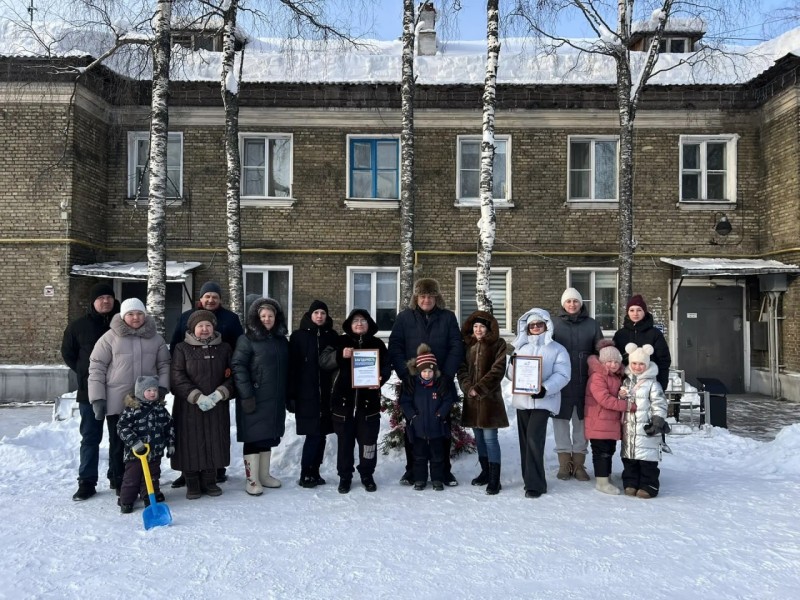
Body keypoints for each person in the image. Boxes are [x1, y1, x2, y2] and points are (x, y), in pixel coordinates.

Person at [88, 298, 170, 498]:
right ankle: (121, 484)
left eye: (139, 313)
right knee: (120, 445)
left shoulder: (156, 339)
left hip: (147, 403)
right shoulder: (109, 338)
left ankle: (146, 486)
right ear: (123, 316)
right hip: (118, 401)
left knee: (148, 446)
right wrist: (97, 398)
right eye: (131, 314)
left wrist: (162, 388)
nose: (136, 318)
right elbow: (97, 367)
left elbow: (165, 365)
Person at [389, 278, 464, 486]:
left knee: (443, 427)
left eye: (430, 296)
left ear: (436, 297)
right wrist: (405, 374)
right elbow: (395, 347)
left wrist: (447, 376)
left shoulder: (448, 318)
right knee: (413, 427)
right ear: (416, 298)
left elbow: (456, 346)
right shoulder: (404, 318)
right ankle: (412, 470)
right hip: (413, 384)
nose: (426, 300)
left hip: (440, 382)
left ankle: (444, 471)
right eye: (422, 296)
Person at [170, 281, 243, 487]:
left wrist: (227, 383)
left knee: (215, 431)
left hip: (218, 382)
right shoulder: (186, 317)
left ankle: (216, 470)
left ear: (220, 299)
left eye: (215, 297)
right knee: (188, 432)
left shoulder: (231, 319)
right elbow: (176, 344)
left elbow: (238, 347)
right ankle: (188, 472)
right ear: (200, 299)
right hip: (190, 384)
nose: (210, 300)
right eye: (207, 296)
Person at [61, 282, 120, 501]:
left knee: (119, 437)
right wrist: (85, 373)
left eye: (109, 297)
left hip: (118, 391)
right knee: (90, 437)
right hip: (89, 393)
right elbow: (68, 353)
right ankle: (87, 481)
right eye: (100, 298)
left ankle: (117, 476)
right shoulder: (78, 326)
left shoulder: (122, 324)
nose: (105, 301)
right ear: (92, 302)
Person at [323, 309, 391, 494]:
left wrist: (381, 378)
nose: (359, 323)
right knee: (345, 444)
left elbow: (386, 366)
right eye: (355, 320)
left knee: (368, 444)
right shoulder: (340, 341)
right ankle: (345, 477)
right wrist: (339, 355)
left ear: (369, 323)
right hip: (343, 405)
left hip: (368, 406)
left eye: (363, 320)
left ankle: (367, 475)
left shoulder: (377, 344)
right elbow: (323, 361)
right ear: (349, 324)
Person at [506, 308, 570, 498]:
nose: (535, 328)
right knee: (525, 442)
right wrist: (512, 364)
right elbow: (511, 376)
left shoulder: (557, 349)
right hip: (523, 401)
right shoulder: (521, 348)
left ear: (546, 325)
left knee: (534, 440)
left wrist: (545, 388)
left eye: (539, 324)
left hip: (544, 402)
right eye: (532, 325)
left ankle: (535, 485)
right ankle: (530, 479)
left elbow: (563, 375)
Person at [232, 297, 289, 496]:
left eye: (270, 316)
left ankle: (264, 475)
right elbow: (238, 366)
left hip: (274, 398)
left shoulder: (281, 340)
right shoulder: (247, 339)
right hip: (254, 396)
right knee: (253, 437)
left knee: (267, 437)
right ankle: (252, 478)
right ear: (256, 317)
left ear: (276, 318)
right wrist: (246, 394)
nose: (267, 319)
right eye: (263, 316)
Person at [551, 287, 603, 482]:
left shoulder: (592, 325)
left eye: (575, 301)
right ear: (563, 304)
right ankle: (565, 463)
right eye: (568, 301)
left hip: (584, 383)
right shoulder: (554, 324)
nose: (572, 304)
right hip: (561, 384)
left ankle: (579, 463)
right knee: (561, 423)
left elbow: (600, 352)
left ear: (581, 303)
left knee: (582, 423)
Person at [457, 310, 509, 495]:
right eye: (475, 326)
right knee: (479, 438)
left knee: (490, 439)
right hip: (471, 400)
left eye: (482, 327)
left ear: (489, 329)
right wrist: (467, 386)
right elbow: (461, 368)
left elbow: (498, 370)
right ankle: (485, 472)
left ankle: (495, 479)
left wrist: (479, 388)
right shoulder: (467, 345)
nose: (478, 330)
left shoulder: (498, 345)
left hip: (490, 401)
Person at [288, 300, 338, 488]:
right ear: (310, 315)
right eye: (316, 313)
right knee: (313, 434)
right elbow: (292, 368)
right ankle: (305, 472)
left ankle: (315, 471)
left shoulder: (332, 336)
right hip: (306, 394)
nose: (319, 316)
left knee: (322, 434)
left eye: (323, 313)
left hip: (326, 394)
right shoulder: (298, 337)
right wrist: (291, 395)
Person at [400, 344, 456, 491]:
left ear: (434, 371)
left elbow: (448, 400)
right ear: (419, 371)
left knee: (437, 456)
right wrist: (412, 416)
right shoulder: (413, 386)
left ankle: (437, 479)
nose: (426, 374)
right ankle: (420, 479)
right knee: (419, 457)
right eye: (424, 371)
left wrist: (440, 414)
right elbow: (405, 401)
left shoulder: (439, 385)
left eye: (430, 371)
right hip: (418, 429)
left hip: (436, 428)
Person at [115, 376, 175, 513]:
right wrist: (134, 443)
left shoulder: (161, 410)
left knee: (153, 477)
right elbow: (122, 427)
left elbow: (169, 427)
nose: (153, 393)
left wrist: (171, 444)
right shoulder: (132, 410)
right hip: (135, 454)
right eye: (148, 390)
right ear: (140, 391)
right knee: (132, 478)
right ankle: (126, 500)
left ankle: (149, 497)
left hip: (154, 452)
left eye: (155, 390)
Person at [620, 343, 669, 499]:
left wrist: (657, 420)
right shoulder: (626, 381)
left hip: (647, 427)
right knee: (630, 458)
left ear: (647, 365)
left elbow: (659, 403)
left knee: (647, 459)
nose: (637, 367)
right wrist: (620, 396)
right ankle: (631, 483)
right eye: (634, 363)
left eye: (641, 364)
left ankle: (649, 485)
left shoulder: (653, 384)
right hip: (630, 429)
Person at [585, 340, 632, 495]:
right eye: (609, 361)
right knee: (601, 452)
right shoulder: (597, 377)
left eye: (616, 361)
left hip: (609, 422)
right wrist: (626, 406)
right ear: (602, 362)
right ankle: (602, 482)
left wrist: (621, 394)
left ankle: (607, 476)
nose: (613, 365)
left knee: (609, 450)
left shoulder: (616, 377)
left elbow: (615, 394)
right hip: (599, 421)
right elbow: (604, 399)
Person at [612, 294, 671, 392]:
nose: (635, 313)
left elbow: (663, 361)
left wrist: (661, 386)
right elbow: (616, 361)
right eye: (632, 310)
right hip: (625, 386)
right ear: (627, 312)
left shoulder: (655, 334)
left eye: (639, 310)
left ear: (644, 312)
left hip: (649, 385)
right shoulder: (620, 334)